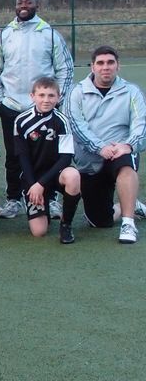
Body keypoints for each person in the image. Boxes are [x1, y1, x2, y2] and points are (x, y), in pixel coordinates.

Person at [0, 0, 74, 218]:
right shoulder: (4, 35)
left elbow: (65, 68)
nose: (23, 5)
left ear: (37, 5)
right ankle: (14, 199)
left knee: (50, 156)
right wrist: (0, 100)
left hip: (45, 110)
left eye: (28, 2)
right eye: (19, 2)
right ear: (14, 6)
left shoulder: (50, 35)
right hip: (12, 108)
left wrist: (56, 101)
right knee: (14, 156)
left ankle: (52, 199)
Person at [65, 46, 145, 244]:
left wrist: (128, 145)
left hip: (120, 151)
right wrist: (99, 147)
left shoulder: (131, 92)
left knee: (126, 164)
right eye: (100, 63)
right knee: (99, 221)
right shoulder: (77, 92)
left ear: (118, 66)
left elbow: (140, 124)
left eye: (110, 62)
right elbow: (75, 126)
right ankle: (131, 205)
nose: (105, 67)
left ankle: (128, 223)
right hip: (91, 161)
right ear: (92, 67)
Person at [15, 76, 82, 243]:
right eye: (42, 95)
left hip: (54, 176)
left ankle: (66, 225)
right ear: (32, 96)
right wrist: (33, 185)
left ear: (58, 97)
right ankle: (43, 206)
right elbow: (22, 158)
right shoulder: (21, 121)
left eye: (51, 95)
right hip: (33, 179)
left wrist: (42, 184)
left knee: (73, 176)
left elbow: (66, 158)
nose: (46, 100)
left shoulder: (62, 121)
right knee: (39, 231)